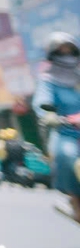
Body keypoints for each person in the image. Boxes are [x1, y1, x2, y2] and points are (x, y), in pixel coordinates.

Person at [32, 31, 80, 222]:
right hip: (66, 132)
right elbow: (43, 102)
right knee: (66, 156)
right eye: (61, 52)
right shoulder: (48, 81)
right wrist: (49, 114)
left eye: (69, 51)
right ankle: (75, 200)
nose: (66, 55)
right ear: (53, 55)